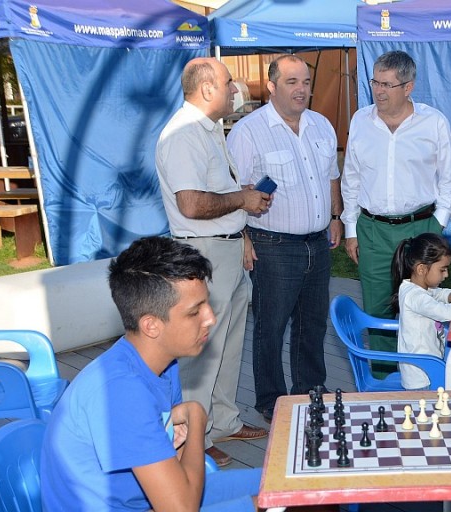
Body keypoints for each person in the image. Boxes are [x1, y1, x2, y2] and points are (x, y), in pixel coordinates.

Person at [41, 237, 264, 511]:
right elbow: (180, 509)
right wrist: (196, 418)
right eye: (195, 311)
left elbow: (176, 460)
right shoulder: (122, 390)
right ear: (151, 325)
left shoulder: (162, 364)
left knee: (279, 484)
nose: (211, 318)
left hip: (155, 498)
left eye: (206, 304)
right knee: (287, 505)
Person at [155, 57, 271, 467]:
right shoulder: (184, 134)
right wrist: (242, 200)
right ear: (206, 89)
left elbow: (215, 191)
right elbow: (191, 204)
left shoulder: (208, 130)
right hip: (202, 253)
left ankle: (222, 420)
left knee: (228, 343)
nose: (234, 89)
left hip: (225, 249)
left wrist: (239, 231)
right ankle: (194, 438)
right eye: (227, 83)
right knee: (203, 348)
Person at [226, 55, 342, 422]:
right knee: (271, 327)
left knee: (313, 323)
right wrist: (243, 237)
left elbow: (331, 177)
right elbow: (234, 190)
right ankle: (271, 400)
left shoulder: (322, 126)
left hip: (318, 242)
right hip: (272, 245)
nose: (302, 90)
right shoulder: (248, 131)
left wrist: (336, 217)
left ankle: (311, 389)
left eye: (306, 82)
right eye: (292, 82)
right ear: (272, 86)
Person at [341, 50, 451, 377]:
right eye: (375, 82)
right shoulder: (360, 121)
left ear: (408, 87)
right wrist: (351, 228)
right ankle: (384, 383)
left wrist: (437, 224)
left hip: (420, 227)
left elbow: (449, 180)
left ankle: (426, 378)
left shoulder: (433, 122)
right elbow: (351, 178)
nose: (379, 91)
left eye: (388, 85)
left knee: (424, 309)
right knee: (378, 309)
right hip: (373, 231)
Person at [390, 233, 451, 390]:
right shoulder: (415, 296)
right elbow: (442, 311)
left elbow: (438, 293)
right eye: (442, 270)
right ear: (421, 269)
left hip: (430, 368)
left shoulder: (415, 287)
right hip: (422, 379)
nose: (446, 274)